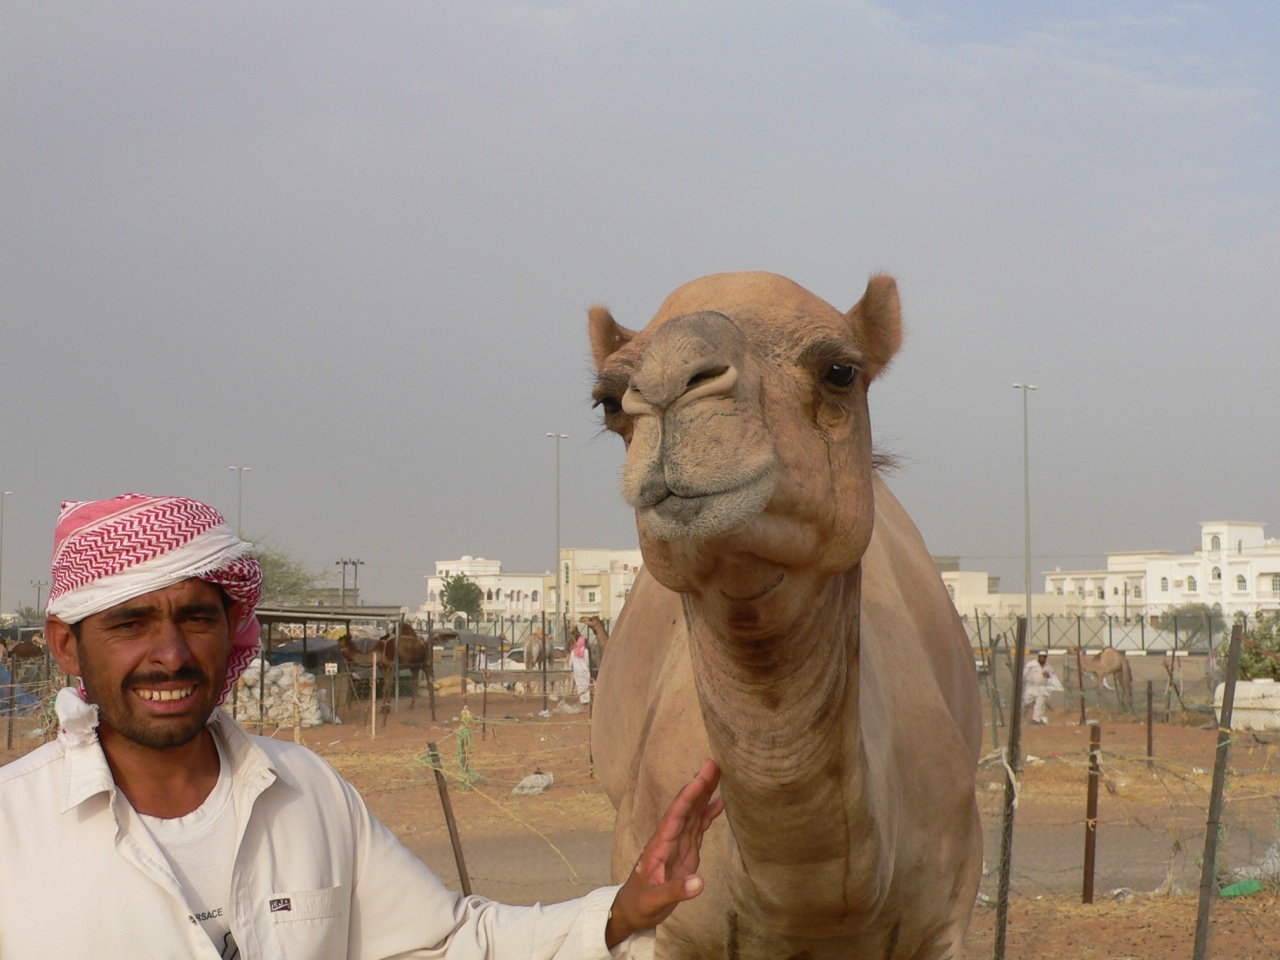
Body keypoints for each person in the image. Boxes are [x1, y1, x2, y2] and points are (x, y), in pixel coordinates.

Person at [0, 495, 724, 959]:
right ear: (66, 646)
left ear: (230, 630)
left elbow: (449, 945)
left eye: (197, 617)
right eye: (131, 624)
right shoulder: (13, 830)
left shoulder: (306, 792)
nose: (172, 653)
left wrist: (622, 911)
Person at [1022, 650, 1063, 725]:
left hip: (1042, 687)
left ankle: (1036, 720)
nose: (1043, 659)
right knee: (1026, 702)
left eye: (1044, 657)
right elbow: (1024, 674)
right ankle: (1023, 714)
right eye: (1041, 657)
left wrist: (1048, 675)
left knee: (1040, 704)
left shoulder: (1048, 666)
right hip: (1031, 687)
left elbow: (1051, 676)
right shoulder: (1031, 664)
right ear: (1039, 657)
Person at [570, 629, 592, 706]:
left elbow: (570, 663)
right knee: (586, 685)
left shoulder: (573, 652)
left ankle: (582, 701)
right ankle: (587, 700)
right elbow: (588, 661)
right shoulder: (585, 651)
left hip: (577, 671)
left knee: (580, 685)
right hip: (585, 670)